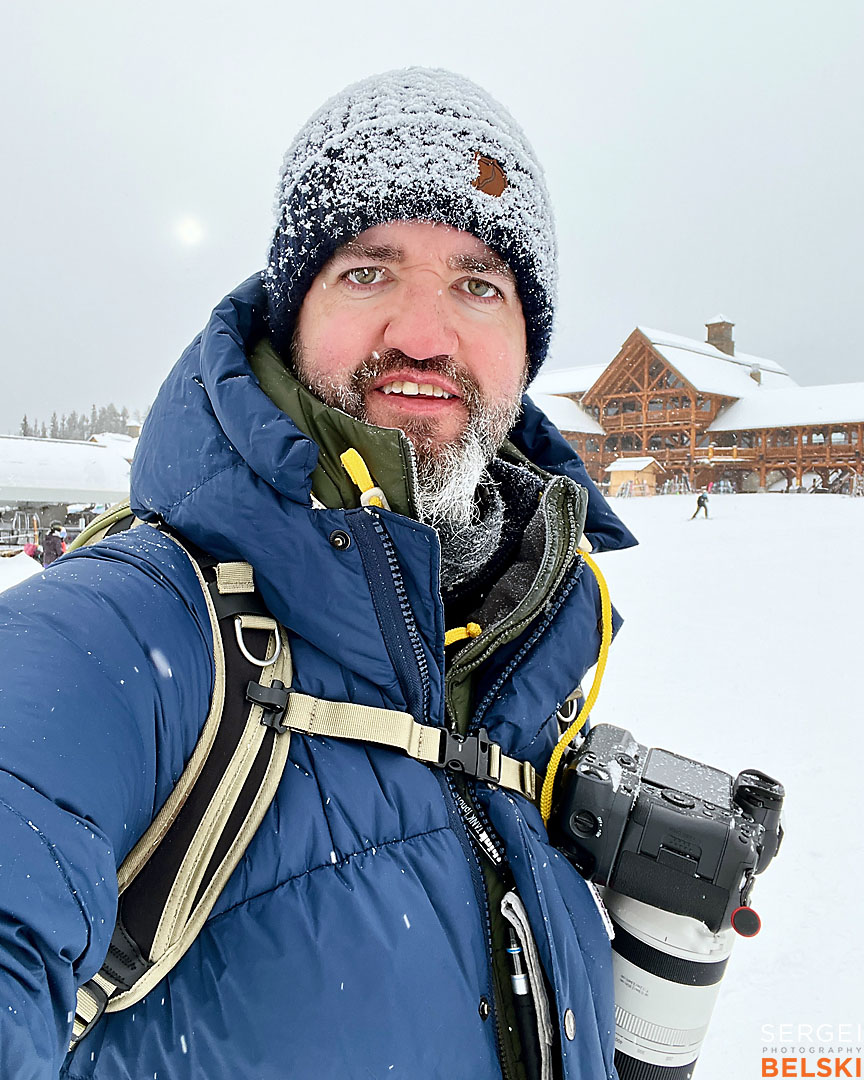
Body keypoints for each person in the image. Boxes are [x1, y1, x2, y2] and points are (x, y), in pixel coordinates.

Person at [0, 69, 637, 1080]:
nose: (424, 336)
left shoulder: (520, 664)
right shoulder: (125, 635)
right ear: (292, 314)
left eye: (479, 283)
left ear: (528, 347)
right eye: (368, 270)